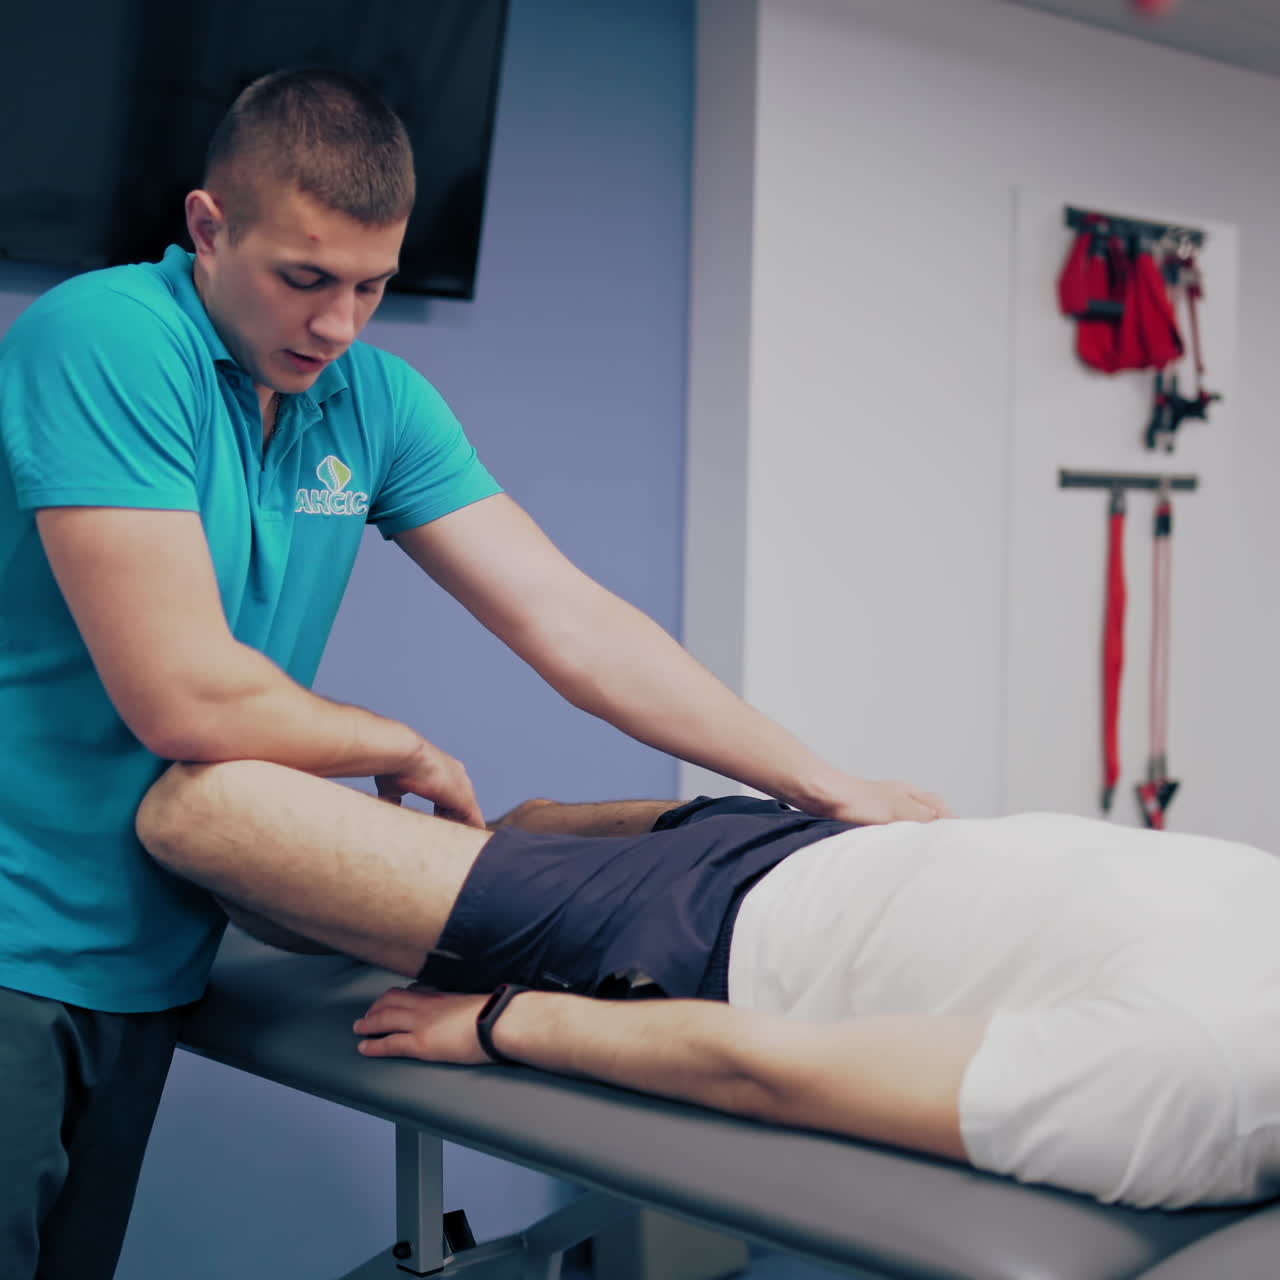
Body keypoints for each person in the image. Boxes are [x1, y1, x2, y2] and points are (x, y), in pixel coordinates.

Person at [0, 66, 944, 1280]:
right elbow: (177, 692)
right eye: (305, 278)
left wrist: (821, 783)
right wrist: (389, 741)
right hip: (17, 928)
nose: (338, 324)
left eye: (371, 285)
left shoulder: (369, 400)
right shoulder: (114, 338)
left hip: (148, 949)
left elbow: (573, 621)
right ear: (207, 227)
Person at [137, 760, 1280, 1214]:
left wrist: (506, 1023)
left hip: (696, 934)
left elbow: (770, 1069)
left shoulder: (1191, 1084)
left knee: (202, 816)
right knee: (518, 825)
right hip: (820, 843)